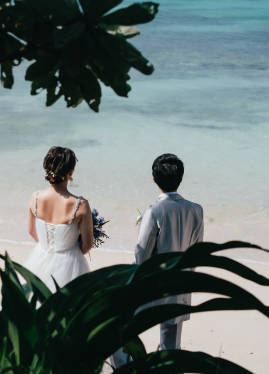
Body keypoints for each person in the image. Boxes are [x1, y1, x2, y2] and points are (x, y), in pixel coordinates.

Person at [111, 153, 204, 367]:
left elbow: (141, 255)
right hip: (181, 284)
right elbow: (197, 250)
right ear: (181, 179)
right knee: (171, 342)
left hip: (152, 286)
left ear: (154, 179)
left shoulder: (153, 212)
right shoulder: (197, 210)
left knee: (120, 330)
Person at [22, 146, 93, 292]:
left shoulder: (35, 197)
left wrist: (47, 247)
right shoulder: (81, 205)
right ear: (70, 172)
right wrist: (71, 251)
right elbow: (88, 244)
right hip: (70, 260)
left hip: (40, 255)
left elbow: (31, 230)